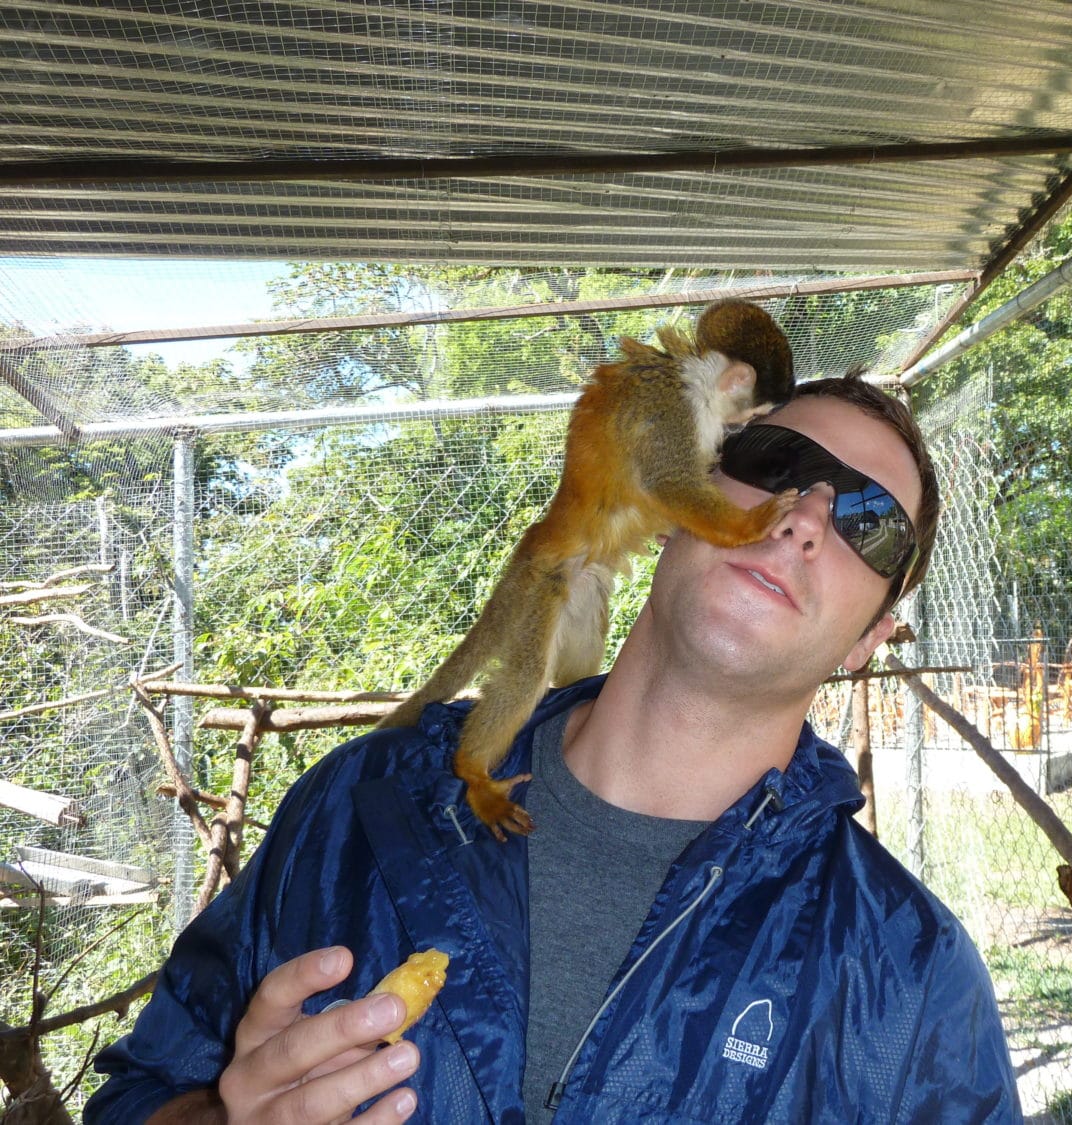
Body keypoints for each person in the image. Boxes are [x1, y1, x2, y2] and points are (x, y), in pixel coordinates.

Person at [86, 373, 1023, 1123]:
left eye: (869, 521)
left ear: (871, 638)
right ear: (675, 498)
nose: (805, 515)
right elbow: (136, 1091)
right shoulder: (359, 803)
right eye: (775, 459)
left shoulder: (908, 978)